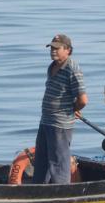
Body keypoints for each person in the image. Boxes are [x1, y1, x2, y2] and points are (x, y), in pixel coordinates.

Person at [33, 34, 87, 184]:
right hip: (46, 121)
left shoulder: (72, 68)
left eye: (57, 48)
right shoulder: (52, 67)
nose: (53, 50)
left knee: (59, 164)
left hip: (60, 125)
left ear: (68, 50)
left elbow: (83, 99)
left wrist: (73, 109)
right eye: (51, 48)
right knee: (41, 162)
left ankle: (62, 191)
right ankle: (39, 191)